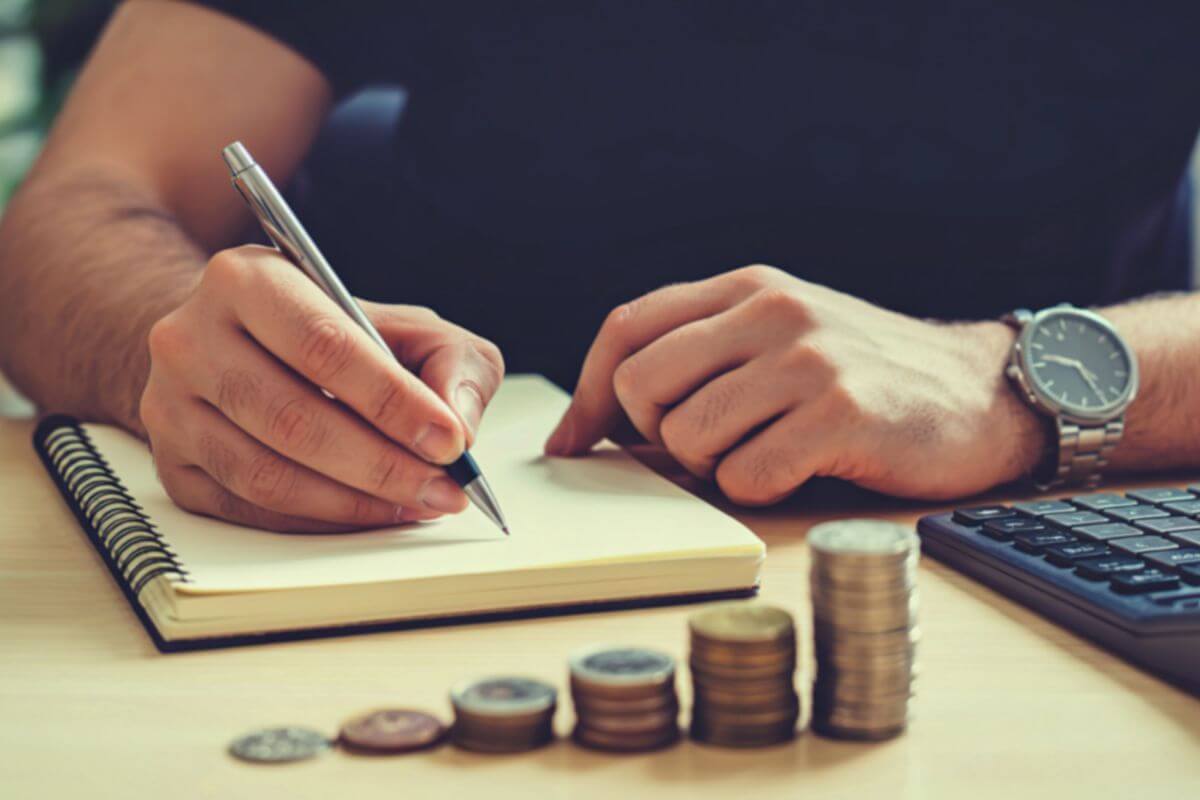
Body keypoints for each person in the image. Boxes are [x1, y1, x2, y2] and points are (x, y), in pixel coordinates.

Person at [1, 1, 1198, 533]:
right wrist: (189, 339)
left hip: (1034, 544)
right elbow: (84, 204)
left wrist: (1012, 383)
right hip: (439, 560)